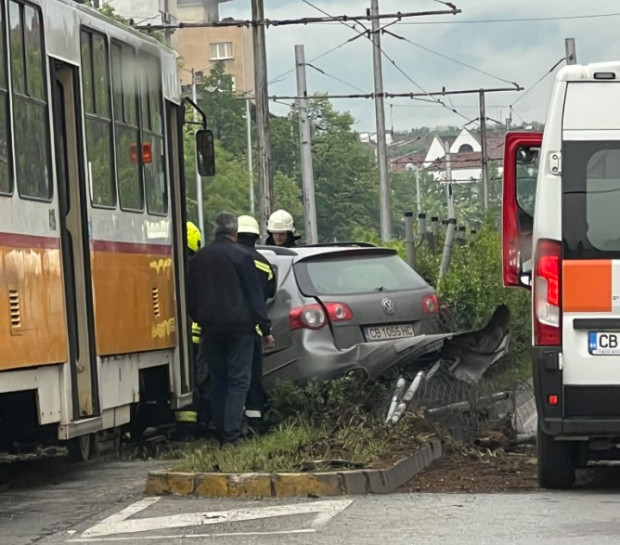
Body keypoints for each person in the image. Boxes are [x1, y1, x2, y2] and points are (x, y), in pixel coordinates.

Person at [188, 212, 275, 447]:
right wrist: (264, 329)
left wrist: (200, 318)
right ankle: (231, 437)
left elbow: (190, 297)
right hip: (241, 330)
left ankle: (220, 433)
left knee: (218, 381)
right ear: (234, 233)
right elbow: (254, 296)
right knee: (238, 382)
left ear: (215, 231)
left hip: (210, 329)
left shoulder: (199, 258)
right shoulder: (242, 257)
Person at [237, 215, 276, 430]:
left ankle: (228, 424)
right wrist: (266, 329)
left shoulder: (229, 259)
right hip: (252, 331)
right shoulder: (264, 264)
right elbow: (269, 294)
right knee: (251, 379)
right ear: (255, 237)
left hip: (221, 329)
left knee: (231, 379)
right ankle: (254, 423)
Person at [175, 221, 204, 438]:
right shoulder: (198, 267)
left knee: (184, 381)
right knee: (197, 381)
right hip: (198, 335)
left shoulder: (169, 263)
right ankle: (193, 427)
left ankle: (184, 428)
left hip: (175, 336)